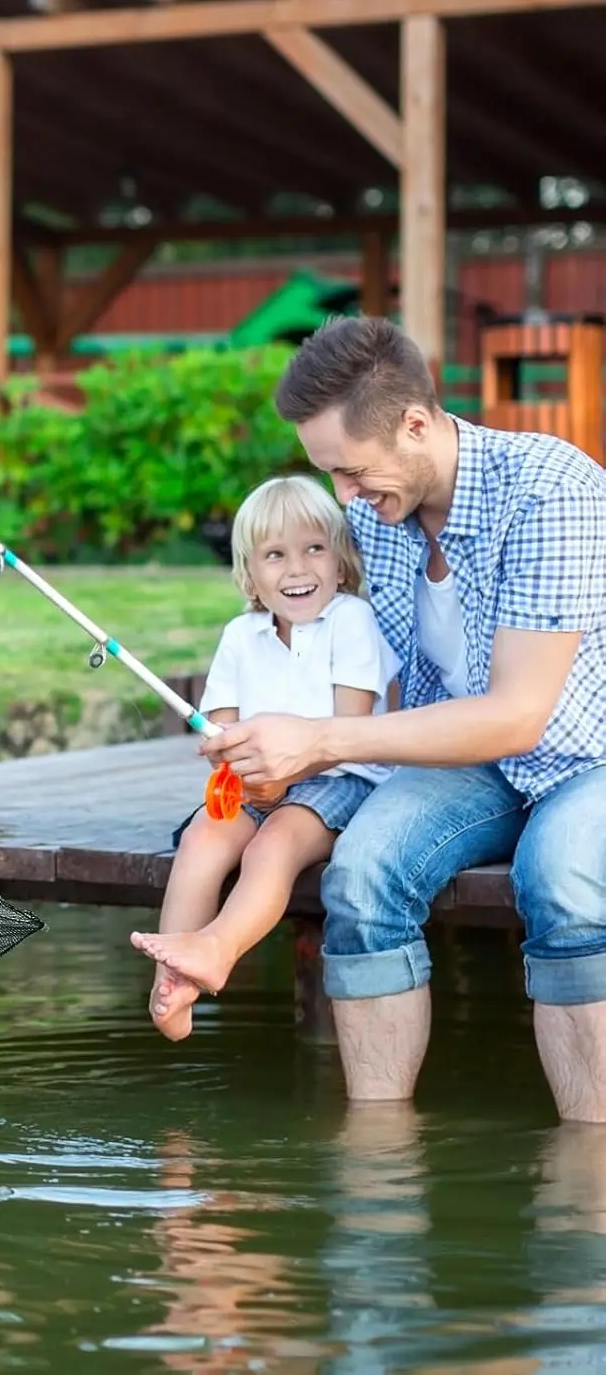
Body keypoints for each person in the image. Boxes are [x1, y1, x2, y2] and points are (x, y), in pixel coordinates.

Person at [201, 315, 606, 1121]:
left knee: (559, 879)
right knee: (362, 874)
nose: (343, 499)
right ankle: (379, 1166)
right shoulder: (374, 520)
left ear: (415, 423)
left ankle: (590, 1167)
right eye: (331, 477)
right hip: (460, 758)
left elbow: (519, 717)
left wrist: (318, 744)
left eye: (352, 472)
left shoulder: (551, 489)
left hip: (584, 752)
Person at [132, 473, 400, 1040]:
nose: (297, 569)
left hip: (340, 777)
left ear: (341, 560)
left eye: (314, 549)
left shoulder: (352, 620)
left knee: (274, 843)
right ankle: (172, 981)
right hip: (258, 781)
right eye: (275, 555)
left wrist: (284, 776)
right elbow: (221, 728)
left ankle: (218, 949)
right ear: (250, 573)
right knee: (205, 837)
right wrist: (235, 762)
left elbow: (346, 730)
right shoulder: (240, 634)